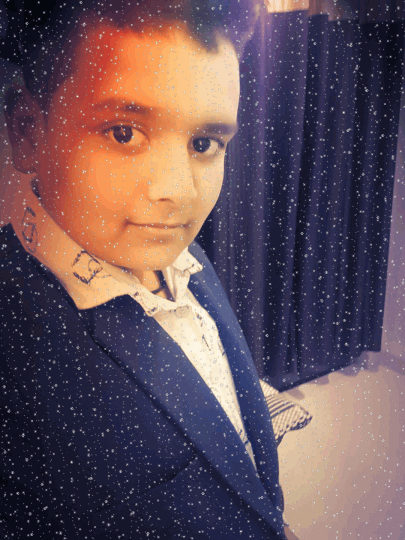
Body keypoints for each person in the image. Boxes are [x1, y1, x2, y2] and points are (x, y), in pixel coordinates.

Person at [0, 1, 297, 538]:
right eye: (124, 133)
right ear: (27, 131)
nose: (178, 193)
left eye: (204, 144)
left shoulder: (173, 253)